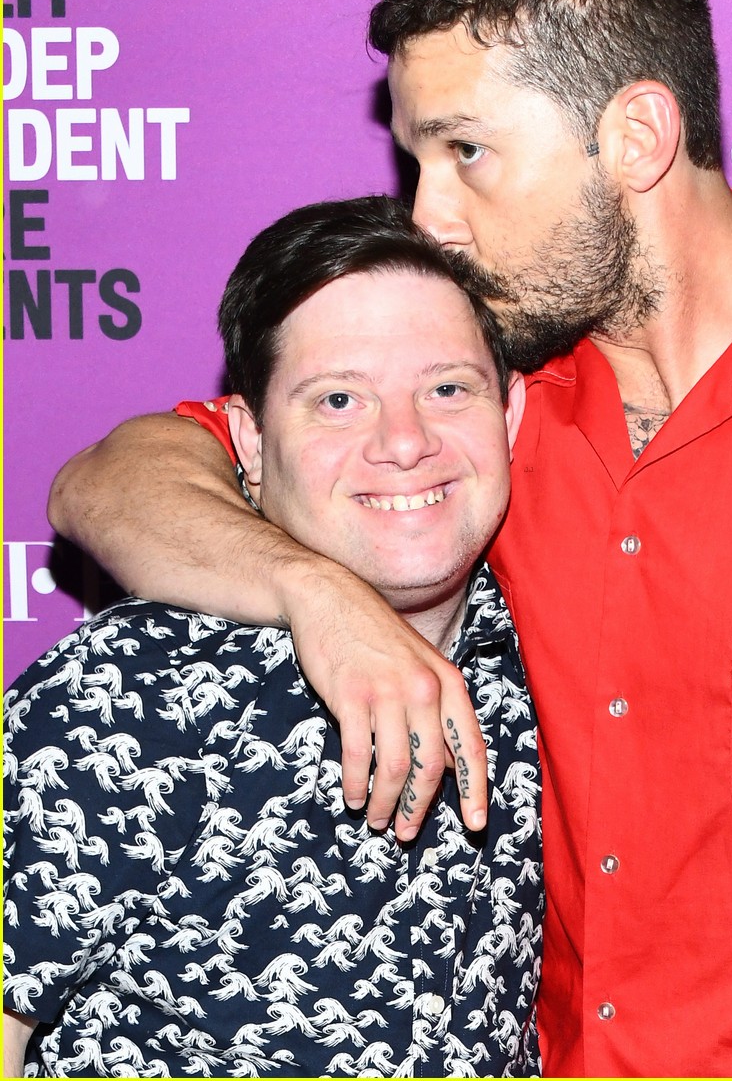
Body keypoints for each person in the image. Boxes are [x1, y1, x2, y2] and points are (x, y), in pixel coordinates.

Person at [48, 0, 732, 1078]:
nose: (431, 217)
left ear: (635, 136)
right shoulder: (485, 408)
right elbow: (108, 484)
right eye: (417, 159)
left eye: (466, 154)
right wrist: (317, 596)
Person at [4, 197, 542, 1078]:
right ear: (246, 441)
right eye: (338, 400)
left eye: (448, 389)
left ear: (512, 416)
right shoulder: (126, 690)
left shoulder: (556, 662)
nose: (404, 442)